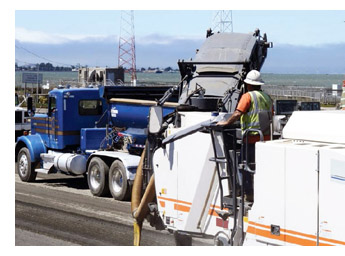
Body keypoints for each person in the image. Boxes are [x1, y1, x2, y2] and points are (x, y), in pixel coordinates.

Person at [217, 70, 273, 202]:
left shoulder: (247, 96)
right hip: (264, 138)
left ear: (248, 85)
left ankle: (248, 194)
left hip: (250, 138)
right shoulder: (267, 97)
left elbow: (238, 113)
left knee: (244, 166)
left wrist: (225, 122)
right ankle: (258, 192)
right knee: (258, 168)